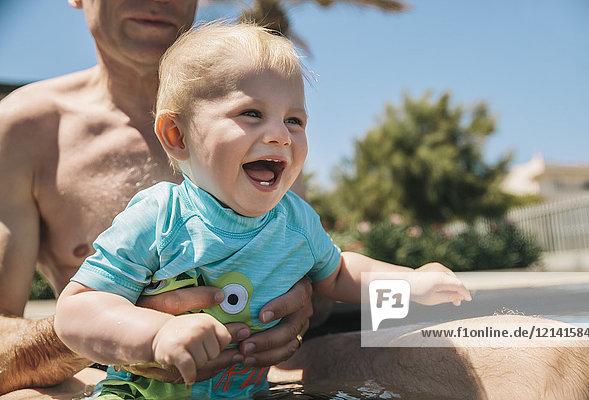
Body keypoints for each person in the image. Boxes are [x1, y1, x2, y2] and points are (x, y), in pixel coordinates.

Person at [53, 22, 473, 399]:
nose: (279, 135)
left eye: (295, 120)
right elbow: (75, 312)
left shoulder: (295, 220)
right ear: (176, 135)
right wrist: (157, 333)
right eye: (250, 113)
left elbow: (339, 274)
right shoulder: (160, 216)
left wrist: (412, 283)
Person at [0, 0, 313, 396]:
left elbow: (328, 280)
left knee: (409, 343)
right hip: (109, 382)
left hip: (256, 376)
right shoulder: (24, 128)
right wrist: (126, 330)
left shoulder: (269, 124)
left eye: (295, 122)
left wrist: (309, 303)